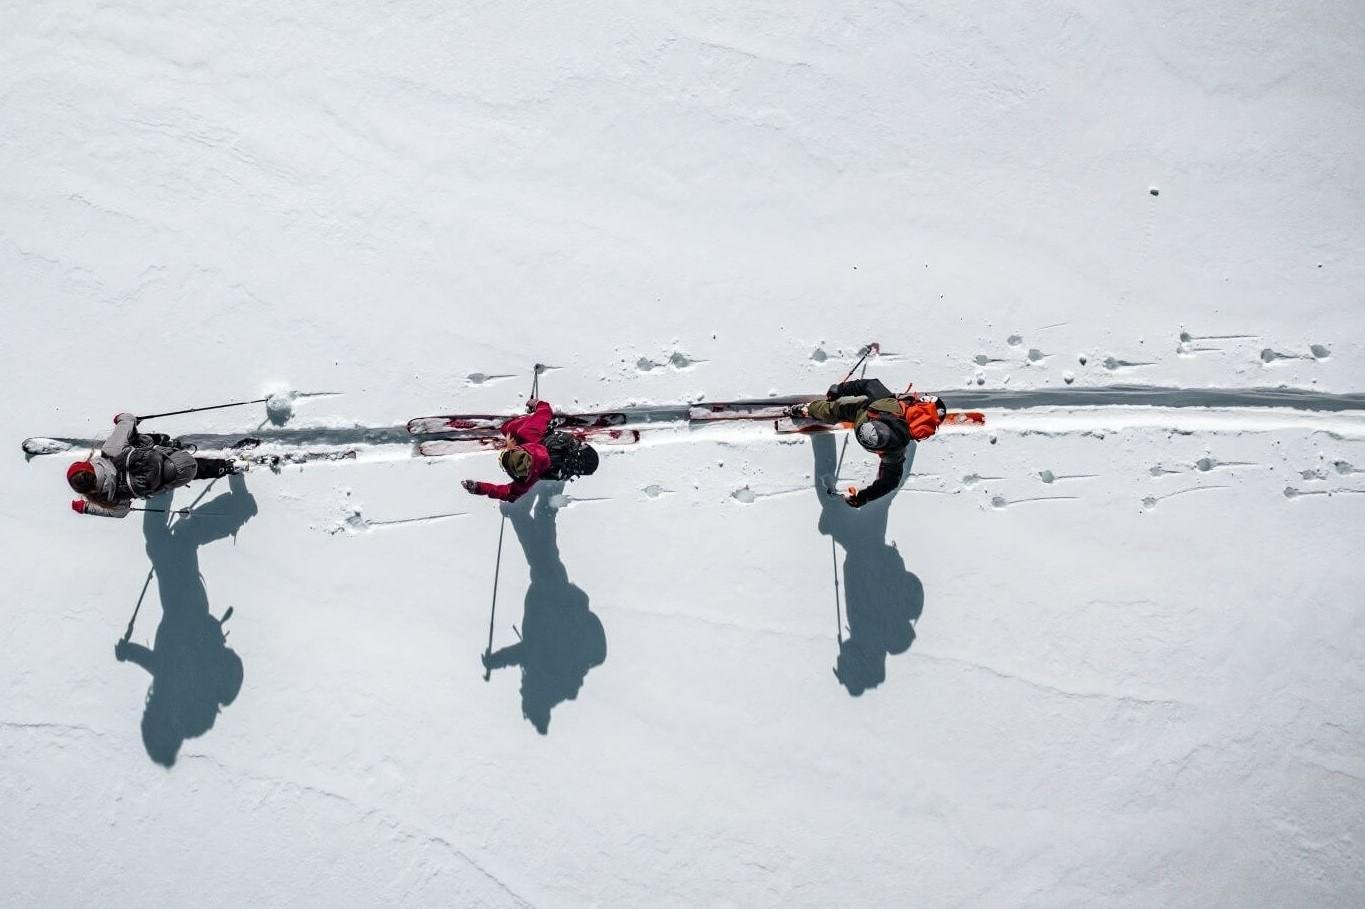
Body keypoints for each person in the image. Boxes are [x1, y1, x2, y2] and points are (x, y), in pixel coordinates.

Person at [790, 379, 947, 508]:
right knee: (890, 460)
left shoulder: (888, 402)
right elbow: (890, 482)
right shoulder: (897, 449)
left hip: (864, 417)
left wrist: (839, 389)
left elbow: (869, 384)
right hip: (868, 442)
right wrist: (863, 498)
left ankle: (807, 409)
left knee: (836, 409)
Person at [66, 412, 245, 518]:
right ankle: (166, 443)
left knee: (185, 471)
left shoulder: (106, 498)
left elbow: (121, 511)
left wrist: (87, 508)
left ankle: (228, 467)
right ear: (88, 466)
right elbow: (127, 420)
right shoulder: (110, 451)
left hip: (170, 479)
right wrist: (121, 418)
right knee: (138, 443)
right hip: (165, 457)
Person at [462, 399, 599, 503]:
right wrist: (536, 403)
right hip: (545, 448)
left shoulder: (527, 478)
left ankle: (559, 445)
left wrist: (479, 488)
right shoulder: (530, 433)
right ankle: (556, 438)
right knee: (510, 429)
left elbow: (509, 494)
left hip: (549, 455)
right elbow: (545, 410)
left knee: (509, 429)